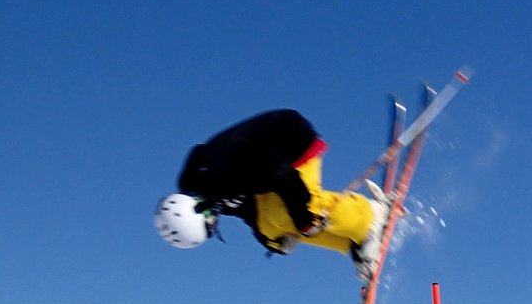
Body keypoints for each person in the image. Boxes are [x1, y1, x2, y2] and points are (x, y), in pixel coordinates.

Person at [154, 109, 390, 283]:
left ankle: (370, 215)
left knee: (300, 208)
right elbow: (249, 209)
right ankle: (352, 243)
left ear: (198, 212)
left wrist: (303, 219)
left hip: (290, 143)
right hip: (270, 172)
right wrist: (269, 241)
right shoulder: (209, 195)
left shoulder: (223, 172)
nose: (214, 226)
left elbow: (282, 175)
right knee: (271, 229)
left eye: (208, 226)